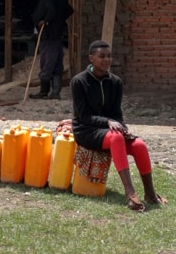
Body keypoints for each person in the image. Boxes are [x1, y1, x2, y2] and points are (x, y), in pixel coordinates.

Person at [71, 40, 167, 212]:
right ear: (91, 58)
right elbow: (83, 116)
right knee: (115, 137)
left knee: (139, 145)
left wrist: (123, 128)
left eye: (109, 56)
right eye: (102, 56)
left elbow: (116, 112)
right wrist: (107, 123)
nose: (107, 60)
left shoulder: (115, 82)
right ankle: (130, 194)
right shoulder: (79, 81)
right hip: (86, 130)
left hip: (109, 131)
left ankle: (150, 194)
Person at [29, 0, 73, 99]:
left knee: (47, 63)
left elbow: (52, 10)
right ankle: (55, 92)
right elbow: (69, 10)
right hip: (57, 34)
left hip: (48, 34)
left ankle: (44, 92)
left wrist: (46, 21)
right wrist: (59, 21)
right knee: (57, 63)